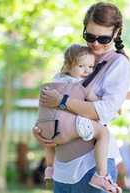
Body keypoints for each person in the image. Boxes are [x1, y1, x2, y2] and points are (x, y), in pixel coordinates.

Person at [33, 2, 130, 193]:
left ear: (116, 32)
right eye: (90, 36)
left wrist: (62, 101)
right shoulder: (78, 58)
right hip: (62, 169)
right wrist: (41, 128)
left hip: (92, 165)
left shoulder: (118, 64)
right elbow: (53, 101)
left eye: (103, 38)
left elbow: (104, 112)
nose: (95, 43)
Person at [41, 43, 117, 192]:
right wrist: (112, 104)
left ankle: (50, 169)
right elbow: (98, 104)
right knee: (103, 133)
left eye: (91, 67)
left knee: (51, 141)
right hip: (74, 123)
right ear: (68, 66)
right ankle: (101, 175)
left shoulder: (57, 79)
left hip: (51, 123)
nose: (87, 71)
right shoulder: (80, 85)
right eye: (82, 66)